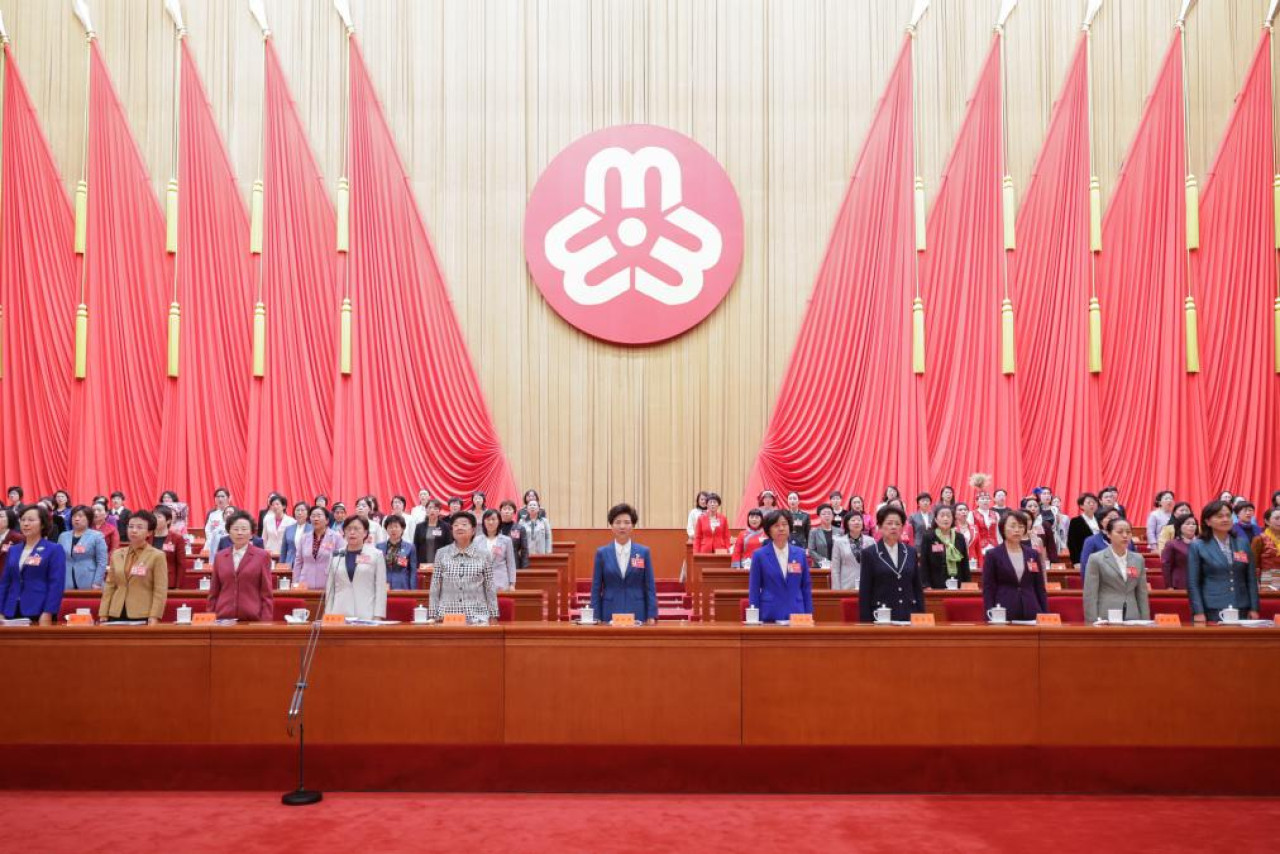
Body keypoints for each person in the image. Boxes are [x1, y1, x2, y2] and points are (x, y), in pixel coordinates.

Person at [1187, 500, 1259, 624]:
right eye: (1219, 516)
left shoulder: (1242, 543)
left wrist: (1254, 607)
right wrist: (1198, 611)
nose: (1225, 519)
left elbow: (1251, 578)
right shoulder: (1198, 546)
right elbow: (1193, 583)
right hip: (1212, 608)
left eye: (1228, 515)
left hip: (1241, 606)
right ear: (1207, 521)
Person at [590, 503, 658, 624]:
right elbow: (596, 588)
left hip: (637, 611)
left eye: (626, 522)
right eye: (618, 522)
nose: (622, 526)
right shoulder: (602, 553)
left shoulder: (643, 552)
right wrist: (596, 616)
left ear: (633, 526)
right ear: (611, 526)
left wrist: (651, 614)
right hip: (609, 612)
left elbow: (650, 586)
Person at [0, 505, 66, 624]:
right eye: (23, 520)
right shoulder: (13, 550)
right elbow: (5, 582)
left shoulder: (54, 549)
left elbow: (56, 584)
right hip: (10, 609)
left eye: (31, 520)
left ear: (42, 524)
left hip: (38, 609)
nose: (25, 524)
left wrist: (48, 612)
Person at [99, 510, 167, 624]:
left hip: (142, 613)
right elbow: (110, 585)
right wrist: (103, 612)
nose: (134, 530)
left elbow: (160, 590)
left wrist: (154, 615)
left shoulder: (157, 556)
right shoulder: (117, 554)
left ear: (149, 532)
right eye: (131, 526)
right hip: (116, 611)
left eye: (140, 527)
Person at [859, 505, 924, 622]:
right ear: (880, 526)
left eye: (898, 524)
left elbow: (917, 588)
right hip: (882, 615)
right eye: (889, 523)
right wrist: (866, 623)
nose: (894, 527)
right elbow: (865, 591)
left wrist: (922, 617)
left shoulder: (910, 552)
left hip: (909, 614)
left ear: (903, 527)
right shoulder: (870, 553)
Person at [429, 512, 498, 622]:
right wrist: (432, 614)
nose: (459, 527)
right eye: (455, 525)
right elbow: (435, 586)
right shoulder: (441, 553)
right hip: (447, 616)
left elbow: (489, 586)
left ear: (473, 530)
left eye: (464, 524)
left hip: (477, 616)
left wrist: (493, 615)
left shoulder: (484, 555)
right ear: (452, 531)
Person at [207, 511, 274, 622]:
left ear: (251, 533)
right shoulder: (220, 556)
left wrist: (265, 622)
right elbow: (214, 592)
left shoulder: (262, 556)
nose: (239, 533)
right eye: (235, 529)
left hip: (252, 618)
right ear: (229, 531)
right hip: (223, 618)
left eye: (244, 529)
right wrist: (210, 617)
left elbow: (266, 593)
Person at [982, 510, 1048, 622]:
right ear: (1003, 528)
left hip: (1031, 609)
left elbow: (1039, 587)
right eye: (1012, 526)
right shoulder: (992, 555)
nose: (1017, 530)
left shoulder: (1033, 554)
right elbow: (988, 588)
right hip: (1003, 610)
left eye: (1021, 526)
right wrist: (990, 614)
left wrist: (1045, 613)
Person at [747, 510, 812, 623]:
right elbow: (754, 589)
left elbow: (805, 586)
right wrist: (754, 617)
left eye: (784, 524)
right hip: (769, 612)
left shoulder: (800, 553)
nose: (781, 528)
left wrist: (809, 613)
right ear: (769, 530)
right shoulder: (759, 555)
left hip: (797, 613)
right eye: (776, 525)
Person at [1083, 517, 1149, 623]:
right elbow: (1090, 594)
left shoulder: (1138, 559)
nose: (1125, 535)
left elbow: (1142, 593)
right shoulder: (1096, 559)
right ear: (1108, 534)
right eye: (1119, 532)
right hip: (1105, 616)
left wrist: (1145, 620)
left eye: (1128, 532)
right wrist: (1091, 621)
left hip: (1133, 616)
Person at [324, 516, 388, 621]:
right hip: (339, 613)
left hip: (366, 613)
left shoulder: (376, 555)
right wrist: (327, 613)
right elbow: (330, 588)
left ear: (365, 532)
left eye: (356, 529)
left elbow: (380, 588)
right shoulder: (336, 555)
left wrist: (378, 615)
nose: (352, 532)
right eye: (348, 529)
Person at [918, 504, 971, 590]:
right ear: (936, 519)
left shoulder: (960, 537)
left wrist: (967, 584)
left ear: (953, 519)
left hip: (958, 585)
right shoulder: (929, 537)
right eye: (942, 516)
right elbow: (924, 563)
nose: (945, 518)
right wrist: (926, 585)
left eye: (948, 516)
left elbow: (965, 564)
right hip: (935, 585)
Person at [59, 505, 108, 591]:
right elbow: (59, 560)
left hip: (89, 580)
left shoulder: (97, 536)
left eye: (80, 516)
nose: (76, 519)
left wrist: (97, 582)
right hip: (66, 580)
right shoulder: (63, 536)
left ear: (88, 519)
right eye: (74, 516)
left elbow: (102, 562)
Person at [293, 506, 343, 589]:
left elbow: (341, 562)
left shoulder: (336, 537)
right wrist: (295, 582)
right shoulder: (304, 538)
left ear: (327, 520)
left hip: (328, 583)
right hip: (305, 583)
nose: (315, 519)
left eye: (319, 516)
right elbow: (298, 562)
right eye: (313, 516)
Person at [1079, 507, 1132, 582]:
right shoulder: (1091, 541)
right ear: (1101, 521)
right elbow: (1086, 567)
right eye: (1110, 518)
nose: (1114, 520)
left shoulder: (1127, 539)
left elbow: (1134, 563)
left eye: (1117, 518)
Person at [475, 509, 517, 591]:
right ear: (483, 522)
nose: (490, 522)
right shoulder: (477, 540)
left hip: (501, 583)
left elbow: (511, 564)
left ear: (499, 522)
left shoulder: (506, 540)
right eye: (488, 519)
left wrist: (512, 584)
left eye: (493, 519)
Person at [831, 513, 873, 591]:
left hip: (867, 584)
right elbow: (835, 568)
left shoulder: (871, 541)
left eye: (859, 520)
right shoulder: (839, 542)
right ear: (847, 524)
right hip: (846, 585)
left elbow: (875, 565)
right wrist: (836, 590)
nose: (856, 522)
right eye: (853, 520)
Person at [378, 514, 419, 590]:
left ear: (402, 529)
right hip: (383, 585)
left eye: (396, 526)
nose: (393, 529)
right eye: (390, 527)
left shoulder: (410, 547)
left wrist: (413, 590)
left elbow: (413, 571)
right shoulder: (379, 547)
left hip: (403, 585)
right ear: (386, 529)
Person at [1160, 512, 1198, 590]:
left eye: (1194, 524)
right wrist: (1169, 586)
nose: (1191, 526)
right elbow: (1166, 566)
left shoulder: (1203, 543)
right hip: (1181, 583)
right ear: (1179, 527)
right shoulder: (1172, 544)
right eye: (1187, 524)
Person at [151, 505, 187, 589]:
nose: (154, 519)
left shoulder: (177, 538)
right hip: (149, 582)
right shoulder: (147, 537)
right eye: (153, 516)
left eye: (158, 517)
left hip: (168, 583)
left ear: (168, 521)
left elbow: (181, 564)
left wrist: (178, 586)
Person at [413, 498, 453, 565]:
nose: (432, 510)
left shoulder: (445, 526)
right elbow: (416, 545)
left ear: (439, 511)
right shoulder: (419, 526)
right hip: (422, 563)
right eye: (430, 508)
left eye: (435, 508)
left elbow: (449, 546)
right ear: (426, 510)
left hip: (440, 562)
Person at [1067, 493, 1101, 568]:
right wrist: (1076, 561)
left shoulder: (1100, 520)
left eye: (1094, 502)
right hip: (1084, 558)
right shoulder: (1075, 521)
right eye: (1089, 502)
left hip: (1101, 557)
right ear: (1081, 506)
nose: (1092, 504)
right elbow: (1072, 543)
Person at [1251, 507, 1280, 588]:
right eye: (1277, 518)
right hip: (1268, 579)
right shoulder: (1259, 539)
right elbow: (1254, 564)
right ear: (1267, 521)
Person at [970, 491, 1000, 564]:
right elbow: (971, 532)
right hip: (979, 546)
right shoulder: (972, 514)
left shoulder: (995, 514)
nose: (985, 500)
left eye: (987, 499)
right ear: (977, 502)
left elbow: (998, 532)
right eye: (982, 499)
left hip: (994, 545)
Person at [279, 501, 311, 568]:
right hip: (290, 562)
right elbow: (284, 549)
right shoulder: (288, 529)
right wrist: (281, 564)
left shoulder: (313, 529)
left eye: (302, 510)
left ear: (308, 513)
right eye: (297, 510)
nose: (299, 513)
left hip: (307, 564)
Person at [498, 501, 529, 569]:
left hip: (514, 562)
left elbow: (524, 549)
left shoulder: (520, 528)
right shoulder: (495, 527)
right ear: (500, 512)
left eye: (509, 509)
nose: (507, 511)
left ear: (514, 512)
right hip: (497, 563)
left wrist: (525, 567)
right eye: (504, 509)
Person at [203, 487, 232, 554]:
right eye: (218, 497)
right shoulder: (211, 514)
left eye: (222, 496)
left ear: (228, 498)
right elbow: (207, 530)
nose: (220, 499)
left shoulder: (233, 512)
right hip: (211, 544)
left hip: (228, 545)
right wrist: (212, 541)